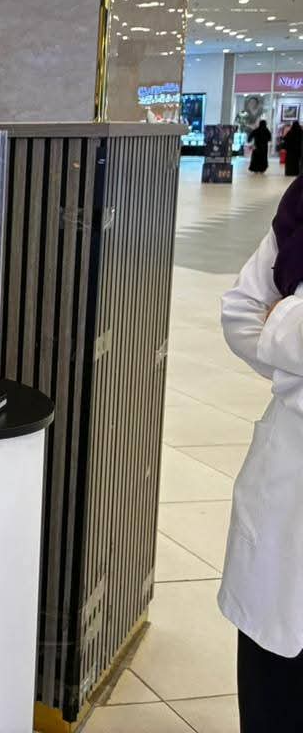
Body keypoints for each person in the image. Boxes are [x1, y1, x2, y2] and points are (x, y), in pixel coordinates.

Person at [219, 175, 303, 731]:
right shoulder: (302, 206)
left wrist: (286, 318)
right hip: (287, 492)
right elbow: (240, 314)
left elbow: (270, 323)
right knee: (273, 697)